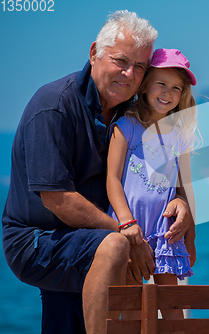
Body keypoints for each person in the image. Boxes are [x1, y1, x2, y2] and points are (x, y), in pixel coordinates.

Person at [2, 11, 192, 334]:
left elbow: (164, 176)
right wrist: (127, 230)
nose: (129, 73)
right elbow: (57, 199)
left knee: (81, 304)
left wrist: (183, 203)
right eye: (121, 61)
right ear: (94, 54)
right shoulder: (54, 105)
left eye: (140, 66)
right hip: (35, 239)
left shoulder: (131, 113)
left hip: (87, 237)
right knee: (117, 248)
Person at [107, 48, 198, 319]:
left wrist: (190, 240)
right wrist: (126, 222)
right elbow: (112, 179)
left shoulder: (182, 136)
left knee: (172, 308)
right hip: (129, 230)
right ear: (145, 85)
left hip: (165, 232)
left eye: (176, 88)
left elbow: (185, 189)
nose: (168, 93)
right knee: (131, 308)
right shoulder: (126, 126)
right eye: (161, 84)